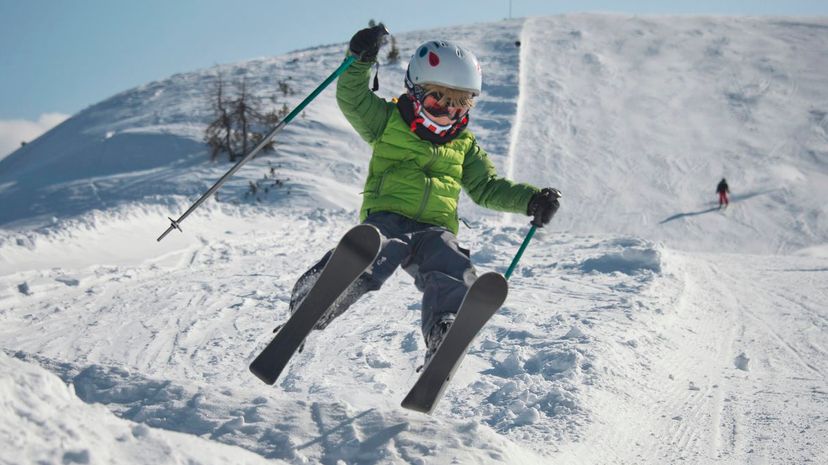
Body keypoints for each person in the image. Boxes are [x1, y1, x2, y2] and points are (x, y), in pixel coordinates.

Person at [288, 25, 561, 364]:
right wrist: (360, 61)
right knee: (373, 251)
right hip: (388, 218)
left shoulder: (464, 145)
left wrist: (530, 199)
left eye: (459, 107)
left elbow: (486, 187)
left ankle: (444, 328)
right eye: (438, 101)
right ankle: (315, 301)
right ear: (415, 92)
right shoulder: (388, 120)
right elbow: (353, 99)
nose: (448, 114)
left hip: (435, 228)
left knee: (452, 266)